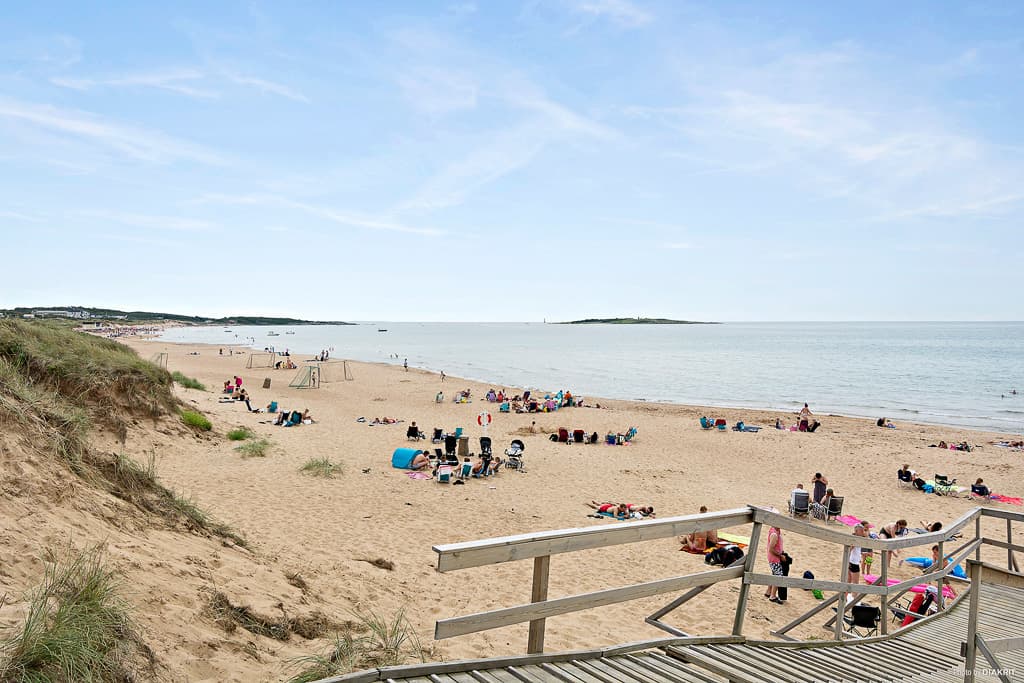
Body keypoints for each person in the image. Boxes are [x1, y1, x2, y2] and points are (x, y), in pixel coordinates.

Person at [765, 522, 785, 603]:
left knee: (774, 574)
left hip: (774, 558)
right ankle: (772, 596)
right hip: (774, 558)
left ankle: (768, 592)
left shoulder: (776, 530)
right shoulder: (774, 534)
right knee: (778, 575)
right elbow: (771, 549)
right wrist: (780, 556)